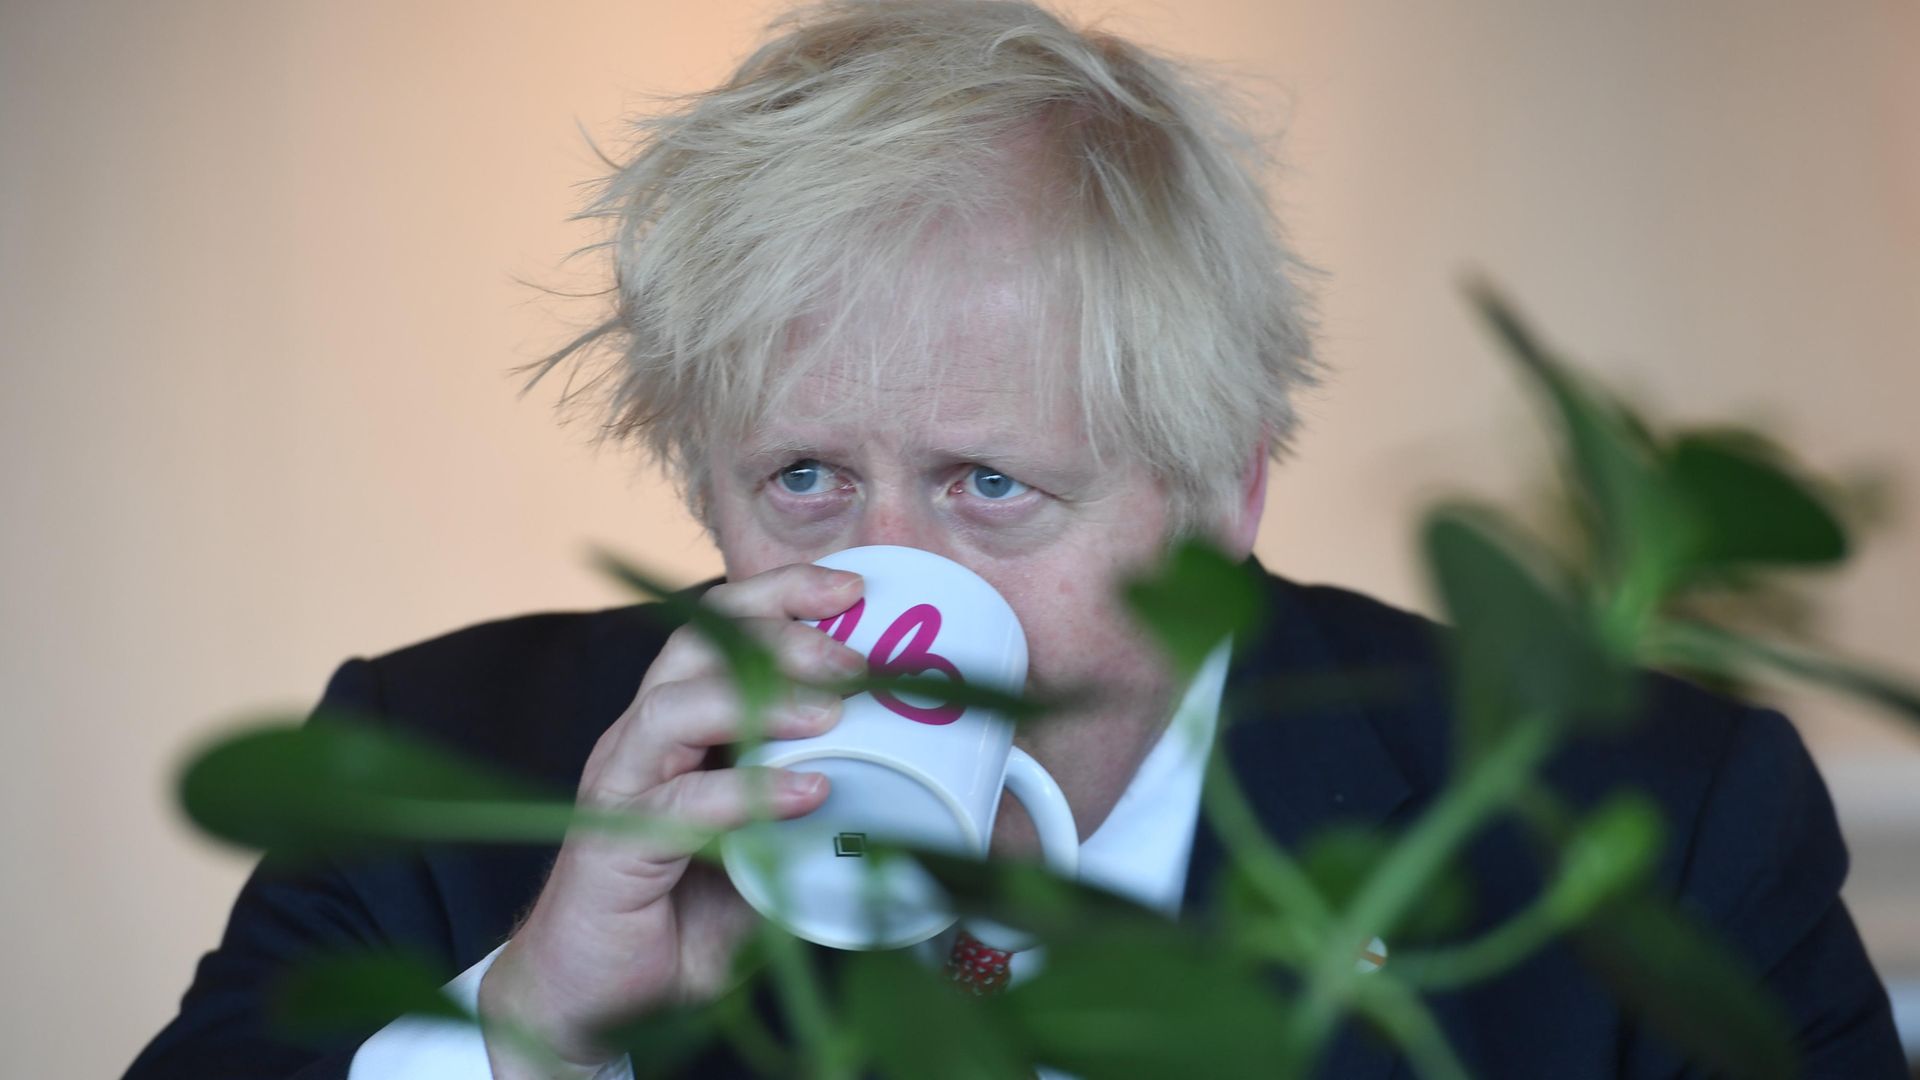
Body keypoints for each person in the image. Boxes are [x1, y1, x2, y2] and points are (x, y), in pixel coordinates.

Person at [125, 1, 1906, 1077]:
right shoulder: (444, 771)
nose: (881, 591)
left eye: (991, 486)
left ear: (1225, 486)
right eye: (804, 480)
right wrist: (527, 1022)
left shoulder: (1652, 820)